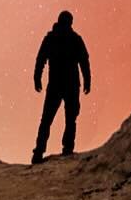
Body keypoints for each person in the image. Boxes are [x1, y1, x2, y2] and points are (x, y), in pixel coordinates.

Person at [31, 10, 91, 163]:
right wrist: (87, 80)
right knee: (63, 119)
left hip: (60, 85)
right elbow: (84, 61)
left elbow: (41, 59)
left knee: (53, 119)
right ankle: (61, 149)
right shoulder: (72, 39)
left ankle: (40, 152)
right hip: (65, 85)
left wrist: (37, 78)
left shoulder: (54, 38)